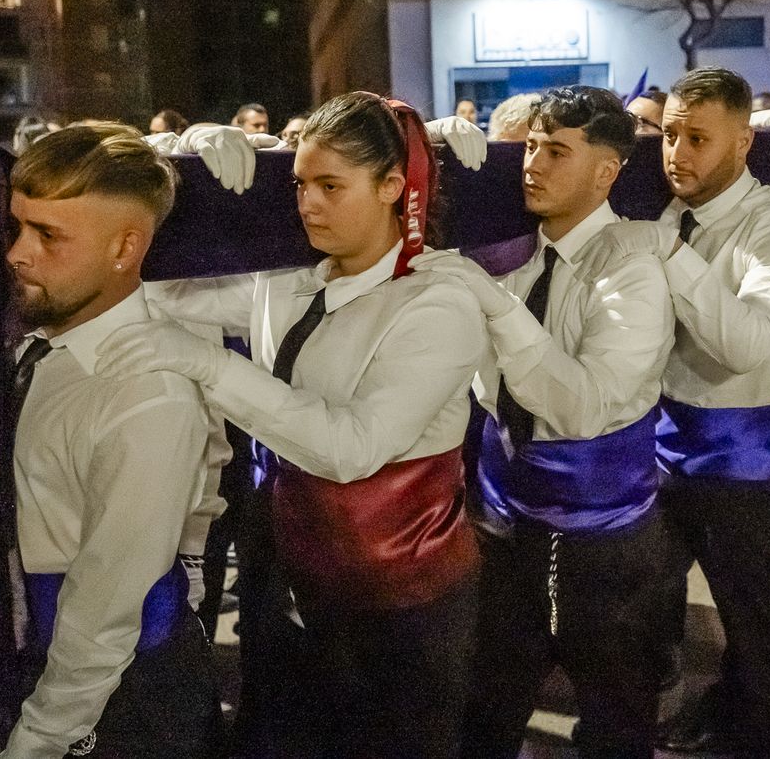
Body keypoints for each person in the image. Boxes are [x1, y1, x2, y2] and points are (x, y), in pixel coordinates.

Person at [100, 94, 490, 759]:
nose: (307, 203)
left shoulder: (441, 301)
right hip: (287, 577)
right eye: (300, 184)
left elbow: (350, 448)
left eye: (331, 186)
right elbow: (158, 291)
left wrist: (210, 365)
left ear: (393, 187)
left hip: (404, 605)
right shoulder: (286, 282)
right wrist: (174, 163)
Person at [415, 87, 673, 759]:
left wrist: (493, 307)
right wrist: (439, 147)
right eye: (530, 147)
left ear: (606, 172)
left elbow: (580, 406)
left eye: (557, 151)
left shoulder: (632, 270)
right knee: (486, 714)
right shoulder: (508, 255)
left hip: (604, 544)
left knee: (616, 723)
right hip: (504, 527)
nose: (532, 164)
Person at [577, 67, 770, 759]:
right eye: (670, 136)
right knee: (635, 624)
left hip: (753, 472)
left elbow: (745, 345)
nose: (677, 153)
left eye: (697, 139)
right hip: (659, 456)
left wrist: (673, 253)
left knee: (761, 649)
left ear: (745, 143)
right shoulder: (661, 211)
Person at [0, 122, 223, 759]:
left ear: (126, 248)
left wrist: (37, 740)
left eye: (48, 235)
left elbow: (104, 609)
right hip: (53, 662)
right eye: (17, 228)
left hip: (113, 698)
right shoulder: (41, 344)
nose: (18, 253)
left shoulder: (145, 394)